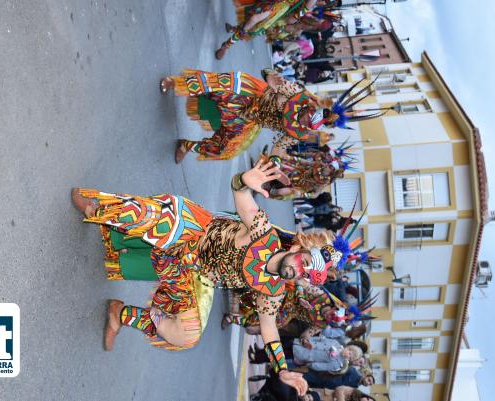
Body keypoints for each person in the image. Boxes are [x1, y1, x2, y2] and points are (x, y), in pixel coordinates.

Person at [72, 159, 361, 394]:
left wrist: (283, 370)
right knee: (163, 219)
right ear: (298, 248)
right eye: (305, 261)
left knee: (185, 335)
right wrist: (243, 181)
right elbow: (241, 196)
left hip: (194, 272)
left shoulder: (273, 290)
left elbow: (269, 329)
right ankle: (98, 207)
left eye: (305, 274)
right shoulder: (264, 234)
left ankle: (120, 313)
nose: (299, 270)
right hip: (193, 231)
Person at [160, 69, 335, 162]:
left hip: (249, 119)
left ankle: (186, 146)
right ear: (310, 110)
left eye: (309, 125)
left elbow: (279, 148)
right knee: (221, 86)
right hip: (251, 95)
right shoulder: (296, 92)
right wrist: (270, 77)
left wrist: (275, 163)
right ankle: (176, 83)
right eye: (307, 119)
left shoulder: (299, 133)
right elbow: (267, 71)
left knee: (223, 149)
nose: (305, 123)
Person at [216, 0, 319, 60]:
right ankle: (234, 30)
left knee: (253, 20)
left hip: (276, 7)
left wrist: (295, 18)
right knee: (249, 19)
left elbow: (293, 18)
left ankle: (227, 45)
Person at [304, 367, 374, 390]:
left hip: (323, 387)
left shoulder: (355, 388)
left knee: (304, 384)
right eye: (369, 380)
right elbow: (338, 369)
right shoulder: (353, 371)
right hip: (323, 377)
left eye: (369, 384)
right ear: (366, 376)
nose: (368, 383)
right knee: (303, 376)